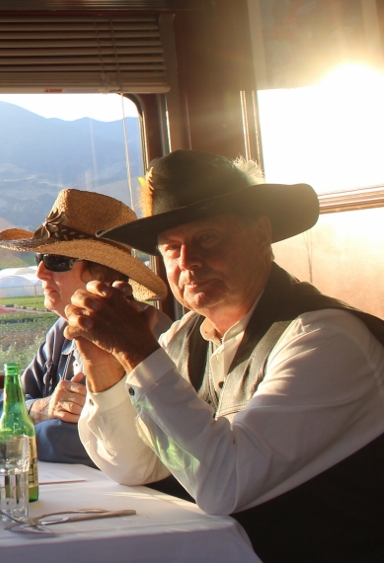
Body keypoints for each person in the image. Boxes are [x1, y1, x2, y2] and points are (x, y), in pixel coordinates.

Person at [66, 150, 384, 562]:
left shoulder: (325, 339)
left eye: (208, 239)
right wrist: (101, 362)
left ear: (260, 235)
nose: (189, 262)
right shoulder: (183, 338)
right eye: (172, 248)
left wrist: (135, 349)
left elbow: (225, 486)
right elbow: (135, 465)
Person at [0, 189, 169, 465]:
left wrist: (22, 431)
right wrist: (45, 408)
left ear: (103, 272)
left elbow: (98, 447)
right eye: (39, 258)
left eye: (56, 261)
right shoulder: (60, 333)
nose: (40, 272)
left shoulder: (153, 336)